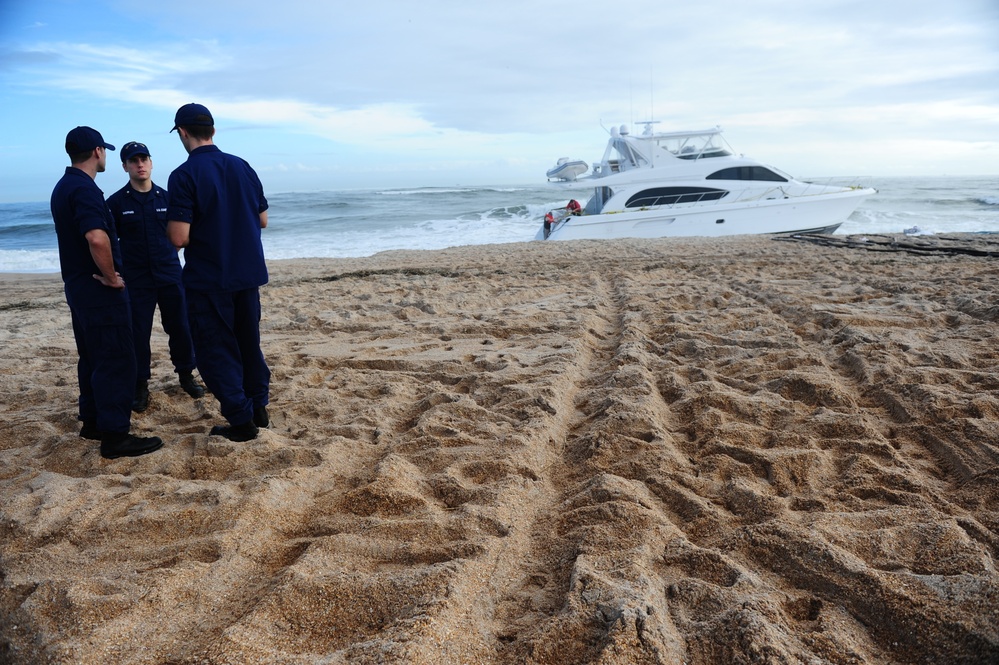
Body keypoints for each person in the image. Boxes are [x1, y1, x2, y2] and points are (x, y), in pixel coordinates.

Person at [50, 126, 163, 459]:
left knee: (93, 356)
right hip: (100, 291)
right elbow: (96, 238)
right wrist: (112, 277)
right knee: (116, 358)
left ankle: (93, 422)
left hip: (79, 288)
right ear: (98, 152)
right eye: (105, 152)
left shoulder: (63, 186)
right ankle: (115, 435)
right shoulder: (85, 190)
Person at [166, 104, 271, 442]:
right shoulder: (242, 166)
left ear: (182, 132)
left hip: (210, 278)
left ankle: (241, 421)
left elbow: (179, 238)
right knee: (248, 344)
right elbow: (263, 220)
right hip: (247, 272)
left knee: (215, 350)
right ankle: (258, 407)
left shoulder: (183, 175)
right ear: (212, 130)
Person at [107, 141, 205, 412]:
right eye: (133, 160)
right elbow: (109, 241)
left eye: (143, 159)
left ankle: (186, 374)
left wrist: (169, 255)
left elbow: (181, 234)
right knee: (138, 333)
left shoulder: (168, 198)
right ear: (125, 166)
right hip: (136, 279)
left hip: (170, 275)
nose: (139, 165)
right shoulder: (116, 203)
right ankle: (140, 384)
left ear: (151, 163)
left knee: (181, 327)